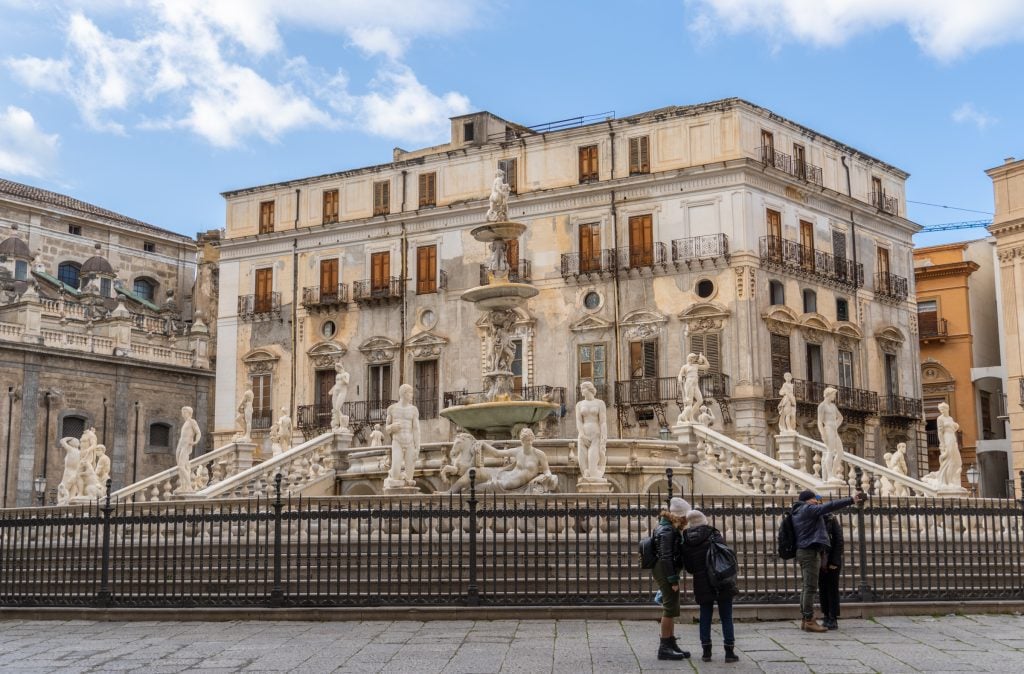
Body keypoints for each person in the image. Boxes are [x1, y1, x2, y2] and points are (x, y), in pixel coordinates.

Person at [791, 489, 865, 632]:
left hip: (820, 555)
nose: (817, 501)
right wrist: (850, 499)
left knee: (813, 587)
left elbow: (838, 539)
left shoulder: (805, 512)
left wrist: (834, 560)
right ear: (808, 500)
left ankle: (819, 618)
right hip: (811, 553)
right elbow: (828, 506)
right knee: (812, 588)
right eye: (814, 499)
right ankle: (810, 619)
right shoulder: (808, 510)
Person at [681, 509, 738, 663]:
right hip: (720, 581)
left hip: (701, 582)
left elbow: (689, 568)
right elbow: (726, 556)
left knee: (705, 616)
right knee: (726, 616)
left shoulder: (686, 540)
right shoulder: (714, 534)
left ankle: (706, 652)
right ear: (704, 520)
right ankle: (729, 652)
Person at [651, 496, 692, 661]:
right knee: (669, 608)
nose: (686, 520)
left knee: (672, 607)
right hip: (665, 569)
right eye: (685, 516)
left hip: (665, 568)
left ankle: (670, 642)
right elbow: (666, 556)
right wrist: (673, 579)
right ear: (679, 515)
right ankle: (664, 648)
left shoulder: (667, 527)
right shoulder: (667, 530)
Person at [818, 512, 844, 630]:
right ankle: (826, 615)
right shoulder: (813, 519)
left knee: (832, 588)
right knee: (822, 588)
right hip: (819, 560)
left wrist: (834, 561)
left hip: (832, 559)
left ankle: (833, 617)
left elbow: (839, 540)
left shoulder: (831, 519)